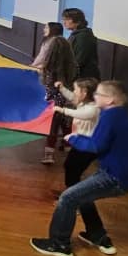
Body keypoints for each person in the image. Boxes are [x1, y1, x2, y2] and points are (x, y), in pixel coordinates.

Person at [30, 81, 128, 256]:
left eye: (99, 95)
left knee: (68, 198)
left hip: (115, 177)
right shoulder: (119, 115)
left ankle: (59, 244)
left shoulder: (111, 117)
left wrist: (74, 139)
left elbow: (96, 145)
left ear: (110, 100)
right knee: (82, 196)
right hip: (116, 173)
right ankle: (97, 235)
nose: (95, 97)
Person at [33, 22, 76, 165]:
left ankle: (49, 154)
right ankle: (70, 145)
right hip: (65, 94)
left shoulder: (51, 71)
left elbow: (43, 67)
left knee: (53, 122)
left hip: (54, 95)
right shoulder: (68, 64)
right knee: (64, 120)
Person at [54, 78, 101, 191]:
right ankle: (71, 195)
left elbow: (81, 114)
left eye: (76, 89)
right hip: (82, 144)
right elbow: (72, 97)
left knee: (72, 169)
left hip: (88, 147)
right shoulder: (84, 103)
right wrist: (62, 88)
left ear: (84, 93)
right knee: (70, 167)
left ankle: (74, 196)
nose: (74, 92)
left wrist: (62, 110)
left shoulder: (93, 108)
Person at [62, 8, 101, 80]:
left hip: (85, 78)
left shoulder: (84, 36)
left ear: (78, 21)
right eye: (64, 19)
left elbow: (79, 60)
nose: (64, 22)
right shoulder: (76, 34)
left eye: (67, 19)